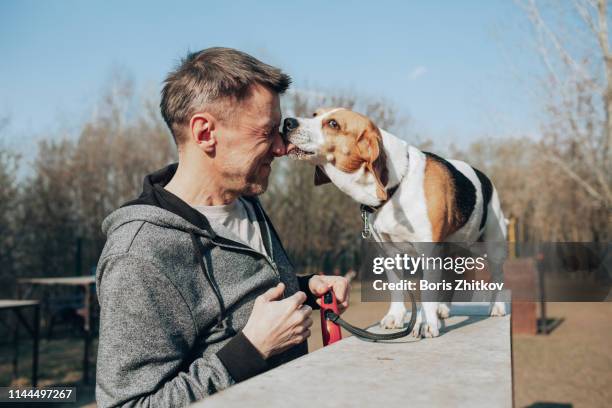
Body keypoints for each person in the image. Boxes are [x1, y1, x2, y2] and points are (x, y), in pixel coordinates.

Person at [95, 47, 350, 407]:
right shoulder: (139, 256)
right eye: (267, 132)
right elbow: (129, 404)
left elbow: (235, 307)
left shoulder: (245, 202)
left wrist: (304, 289)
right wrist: (250, 350)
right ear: (205, 133)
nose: (280, 147)